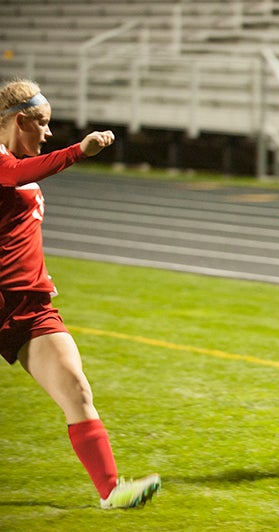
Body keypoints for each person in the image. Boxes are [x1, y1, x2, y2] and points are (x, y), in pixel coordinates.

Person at [0, 79, 161, 509]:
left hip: (30, 307)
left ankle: (112, 492)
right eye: (43, 124)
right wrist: (78, 151)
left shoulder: (21, 164)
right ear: (20, 121)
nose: (49, 133)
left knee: (76, 389)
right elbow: (15, 174)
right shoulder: (5, 164)